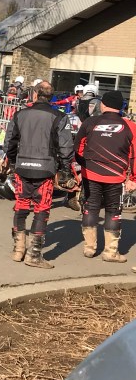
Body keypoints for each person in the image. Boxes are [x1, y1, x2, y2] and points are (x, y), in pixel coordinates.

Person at [3, 81, 74, 268]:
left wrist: (13, 162)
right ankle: (34, 255)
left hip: (22, 168)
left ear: (35, 94)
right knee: (41, 210)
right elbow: (66, 147)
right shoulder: (59, 117)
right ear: (51, 96)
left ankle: (18, 250)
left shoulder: (20, 114)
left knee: (21, 206)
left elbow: (9, 142)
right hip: (45, 170)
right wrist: (65, 169)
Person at [74, 90, 136, 264]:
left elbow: (78, 147)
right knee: (113, 210)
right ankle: (110, 252)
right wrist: (133, 178)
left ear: (103, 105)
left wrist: (83, 167)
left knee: (90, 207)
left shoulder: (90, 122)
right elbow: (134, 155)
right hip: (116, 176)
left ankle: (89, 248)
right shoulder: (130, 126)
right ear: (121, 107)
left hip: (91, 173)